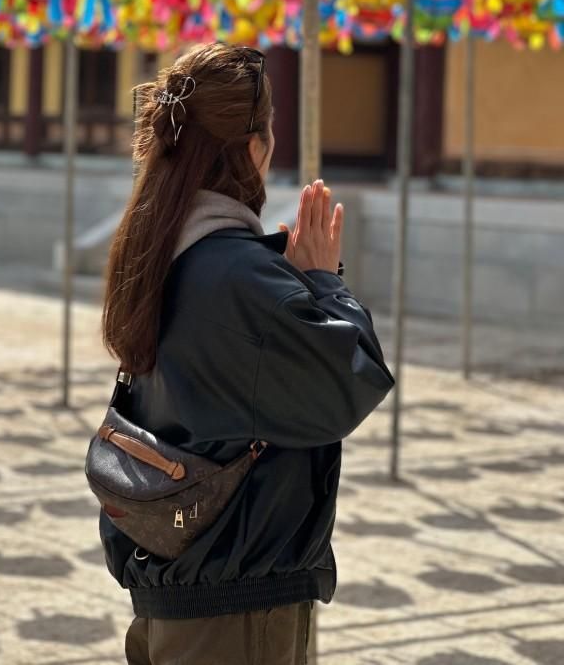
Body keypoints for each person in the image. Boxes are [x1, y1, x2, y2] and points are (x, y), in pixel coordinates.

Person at [98, 42, 395, 665]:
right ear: (252, 148)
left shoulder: (158, 252)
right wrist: (321, 283)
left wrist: (285, 289)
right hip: (238, 607)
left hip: (172, 583)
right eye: (270, 131)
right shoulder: (238, 273)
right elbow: (350, 382)